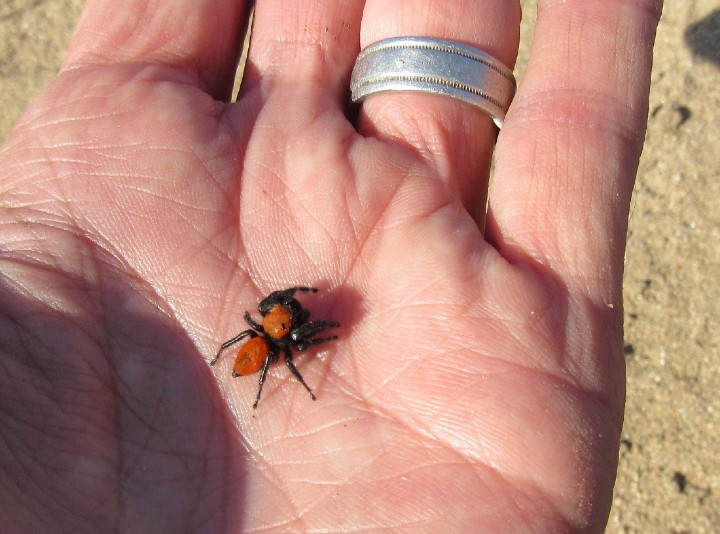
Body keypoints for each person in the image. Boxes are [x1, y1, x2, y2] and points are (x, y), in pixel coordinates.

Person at [0, 0, 661, 531]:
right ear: (278, 326)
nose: (294, 314)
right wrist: (298, 333)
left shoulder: (269, 324)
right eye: (292, 316)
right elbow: (282, 330)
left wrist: (293, 312)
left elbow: (275, 316)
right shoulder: (277, 335)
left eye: (291, 312)